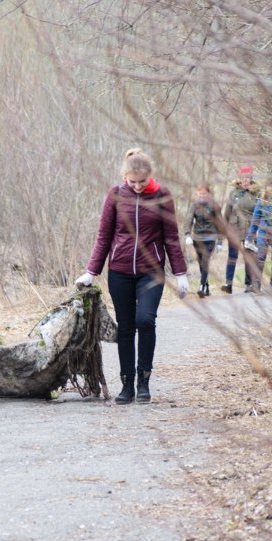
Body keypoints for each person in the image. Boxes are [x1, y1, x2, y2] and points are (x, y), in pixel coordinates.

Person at [75, 148, 188, 405]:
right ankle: (127, 384)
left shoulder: (162, 195)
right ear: (125, 176)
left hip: (151, 271)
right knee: (125, 327)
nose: (137, 186)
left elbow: (171, 237)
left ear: (150, 175)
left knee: (145, 320)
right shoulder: (115, 194)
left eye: (142, 181)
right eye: (132, 181)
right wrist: (92, 271)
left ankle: (144, 380)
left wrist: (180, 272)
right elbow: (104, 236)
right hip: (120, 271)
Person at [221, 165, 261, 293]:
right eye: (243, 177)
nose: (245, 180)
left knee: (249, 257)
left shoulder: (257, 193)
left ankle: (249, 284)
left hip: (250, 230)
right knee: (232, 256)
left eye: (248, 178)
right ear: (240, 178)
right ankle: (228, 284)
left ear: (251, 178)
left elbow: (261, 212)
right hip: (234, 229)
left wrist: (258, 229)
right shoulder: (233, 193)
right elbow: (227, 213)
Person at [184, 183, 225, 298]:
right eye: (200, 193)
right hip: (197, 238)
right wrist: (187, 234)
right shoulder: (194, 206)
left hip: (210, 237)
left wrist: (220, 241)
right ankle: (206, 287)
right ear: (197, 194)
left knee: (205, 260)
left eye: (204, 193)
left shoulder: (214, 206)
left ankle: (201, 286)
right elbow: (188, 219)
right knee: (201, 262)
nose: (202, 195)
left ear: (209, 194)